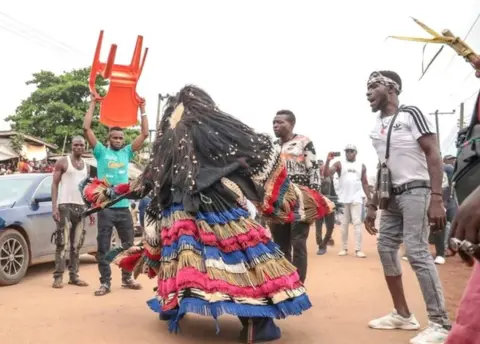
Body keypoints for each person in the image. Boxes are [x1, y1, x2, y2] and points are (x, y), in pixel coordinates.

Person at [89, 86, 333, 343]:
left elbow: (145, 181)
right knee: (239, 260)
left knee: (177, 258)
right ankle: (255, 321)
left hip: (176, 211)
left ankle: (171, 306)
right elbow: (255, 152)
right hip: (217, 207)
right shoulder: (214, 134)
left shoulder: (168, 141)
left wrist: (104, 193)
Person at [364, 70, 450, 344]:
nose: (367, 92)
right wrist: (373, 203)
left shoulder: (410, 114)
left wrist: (436, 198)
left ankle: (440, 324)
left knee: (416, 251)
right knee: (386, 248)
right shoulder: (376, 125)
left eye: (373, 86)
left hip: (417, 190)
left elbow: (432, 152)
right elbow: (382, 165)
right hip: (391, 196)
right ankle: (402, 315)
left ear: (392, 88)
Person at [83, 94, 149, 296]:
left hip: (124, 208)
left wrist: (142, 108)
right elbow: (86, 128)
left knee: (129, 246)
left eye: (121, 138)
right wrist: (94, 102)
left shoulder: (127, 152)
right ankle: (105, 283)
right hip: (106, 209)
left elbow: (145, 133)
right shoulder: (101, 152)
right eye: (115, 137)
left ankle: (127, 278)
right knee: (103, 248)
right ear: (108, 139)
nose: (118, 140)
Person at [271, 109, 321, 282]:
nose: (275, 125)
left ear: (291, 124)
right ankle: (286, 284)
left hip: (300, 198)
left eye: (280, 122)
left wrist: (313, 196)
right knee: (279, 244)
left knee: (298, 242)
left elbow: (314, 169)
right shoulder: (273, 146)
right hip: (277, 200)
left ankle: (298, 285)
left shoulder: (303, 142)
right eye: (274, 123)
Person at [51, 136, 90, 288]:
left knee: (76, 244)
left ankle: (74, 275)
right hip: (65, 206)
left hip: (81, 208)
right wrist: (54, 206)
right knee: (62, 242)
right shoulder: (63, 162)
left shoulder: (86, 166)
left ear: (85, 146)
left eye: (81, 145)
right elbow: (54, 184)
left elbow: (87, 190)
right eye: (76, 145)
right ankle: (58, 276)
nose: (79, 147)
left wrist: (90, 209)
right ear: (71, 146)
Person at [324, 145, 371, 258]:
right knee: (344, 224)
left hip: (357, 197)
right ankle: (344, 248)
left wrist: (369, 198)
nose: (349, 153)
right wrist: (328, 161)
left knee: (357, 223)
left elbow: (365, 182)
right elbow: (327, 174)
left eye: (351, 151)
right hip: (343, 198)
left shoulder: (361, 166)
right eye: (347, 151)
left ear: (356, 152)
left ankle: (358, 249)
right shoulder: (339, 164)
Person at [316, 159, 337, 254]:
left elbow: (333, 191)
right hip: (318, 204)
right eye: (318, 164)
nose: (320, 165)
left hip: (329, 203)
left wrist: (335, 202)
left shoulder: (329, 176)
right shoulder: (314, 177)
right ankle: (321, 245)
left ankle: (325, 242)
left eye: (321, 164)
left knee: (331, 226)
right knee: (318, 227)